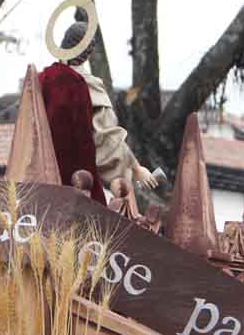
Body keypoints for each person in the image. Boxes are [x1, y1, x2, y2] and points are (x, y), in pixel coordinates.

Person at [39, 19, 158, 203]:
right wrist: (135, 168)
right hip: (78, 186)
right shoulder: (85, 84)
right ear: (88, 51)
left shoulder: (42, 79)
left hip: (43, 185)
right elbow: (105, 137)